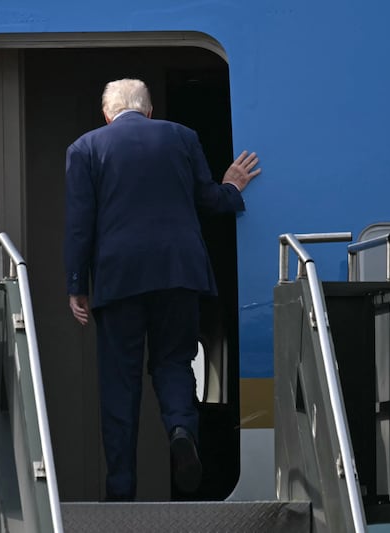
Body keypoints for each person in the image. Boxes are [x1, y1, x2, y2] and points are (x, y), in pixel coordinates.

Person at [63, 78, 261, 501]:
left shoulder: (85, 148)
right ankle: (180, 430)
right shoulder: (182, 137)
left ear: (106, 114)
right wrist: (232, 187)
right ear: (150, 110)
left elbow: (80, 225)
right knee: (173, 362)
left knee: (120, 380)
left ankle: (120, 489)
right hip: (179, 273)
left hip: (118, 280)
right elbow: (208, 199)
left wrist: (77, 285)